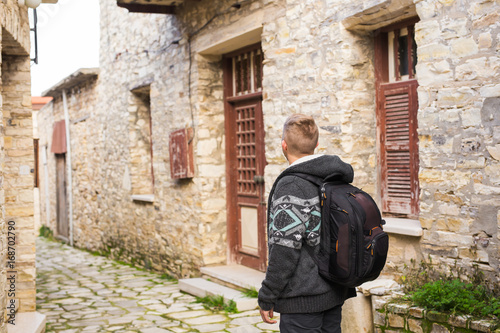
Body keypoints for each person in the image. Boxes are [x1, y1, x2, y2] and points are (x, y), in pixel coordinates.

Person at [258, 114, 356, 332]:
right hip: (333, 289)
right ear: (316, 145)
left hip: (302, 299)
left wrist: (267, 294)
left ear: (283, 145)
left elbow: (285, 249)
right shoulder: (332, 177)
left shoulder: (291, 185)